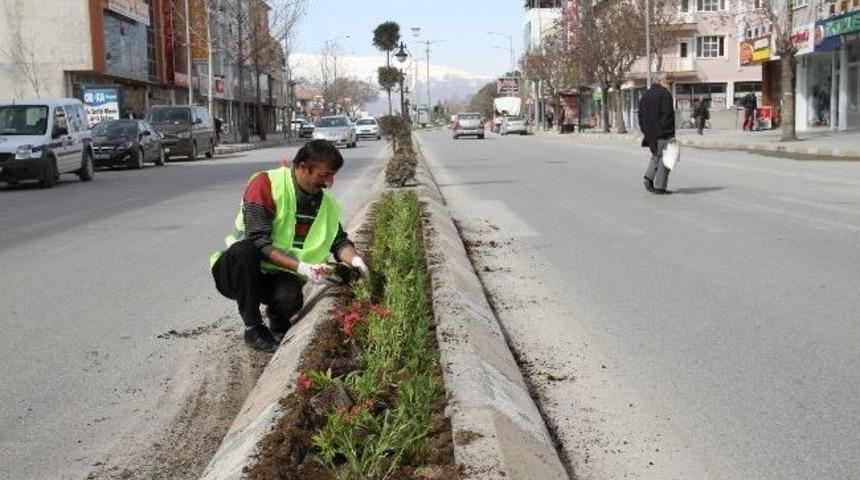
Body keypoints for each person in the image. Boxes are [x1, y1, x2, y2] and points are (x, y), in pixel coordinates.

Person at [209, 140, 369, 351]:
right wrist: (303, 268)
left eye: (332, 176)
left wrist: (356, 260)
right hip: (237, 272)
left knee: (290, 298)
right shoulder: (265, 184)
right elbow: (259, 241)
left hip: (275, 275)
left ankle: (278, 318)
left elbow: (339, 242)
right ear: (302, 167)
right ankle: (253, 328)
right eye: (324, 175)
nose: (329, 183)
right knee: (245, 250)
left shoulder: (325, 205)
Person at [638, 73, 676, 195]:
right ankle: (660, 187)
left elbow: (640, 115)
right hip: (662, 132)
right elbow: (667, 116)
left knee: (657, 155)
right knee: (666, 158)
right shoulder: (665, 95)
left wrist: (645, 130)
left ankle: (648, 178)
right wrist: (669, 134)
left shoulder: (646, 94)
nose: (670, 84)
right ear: (660, 81)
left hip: (650, 133)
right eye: (668, 81)